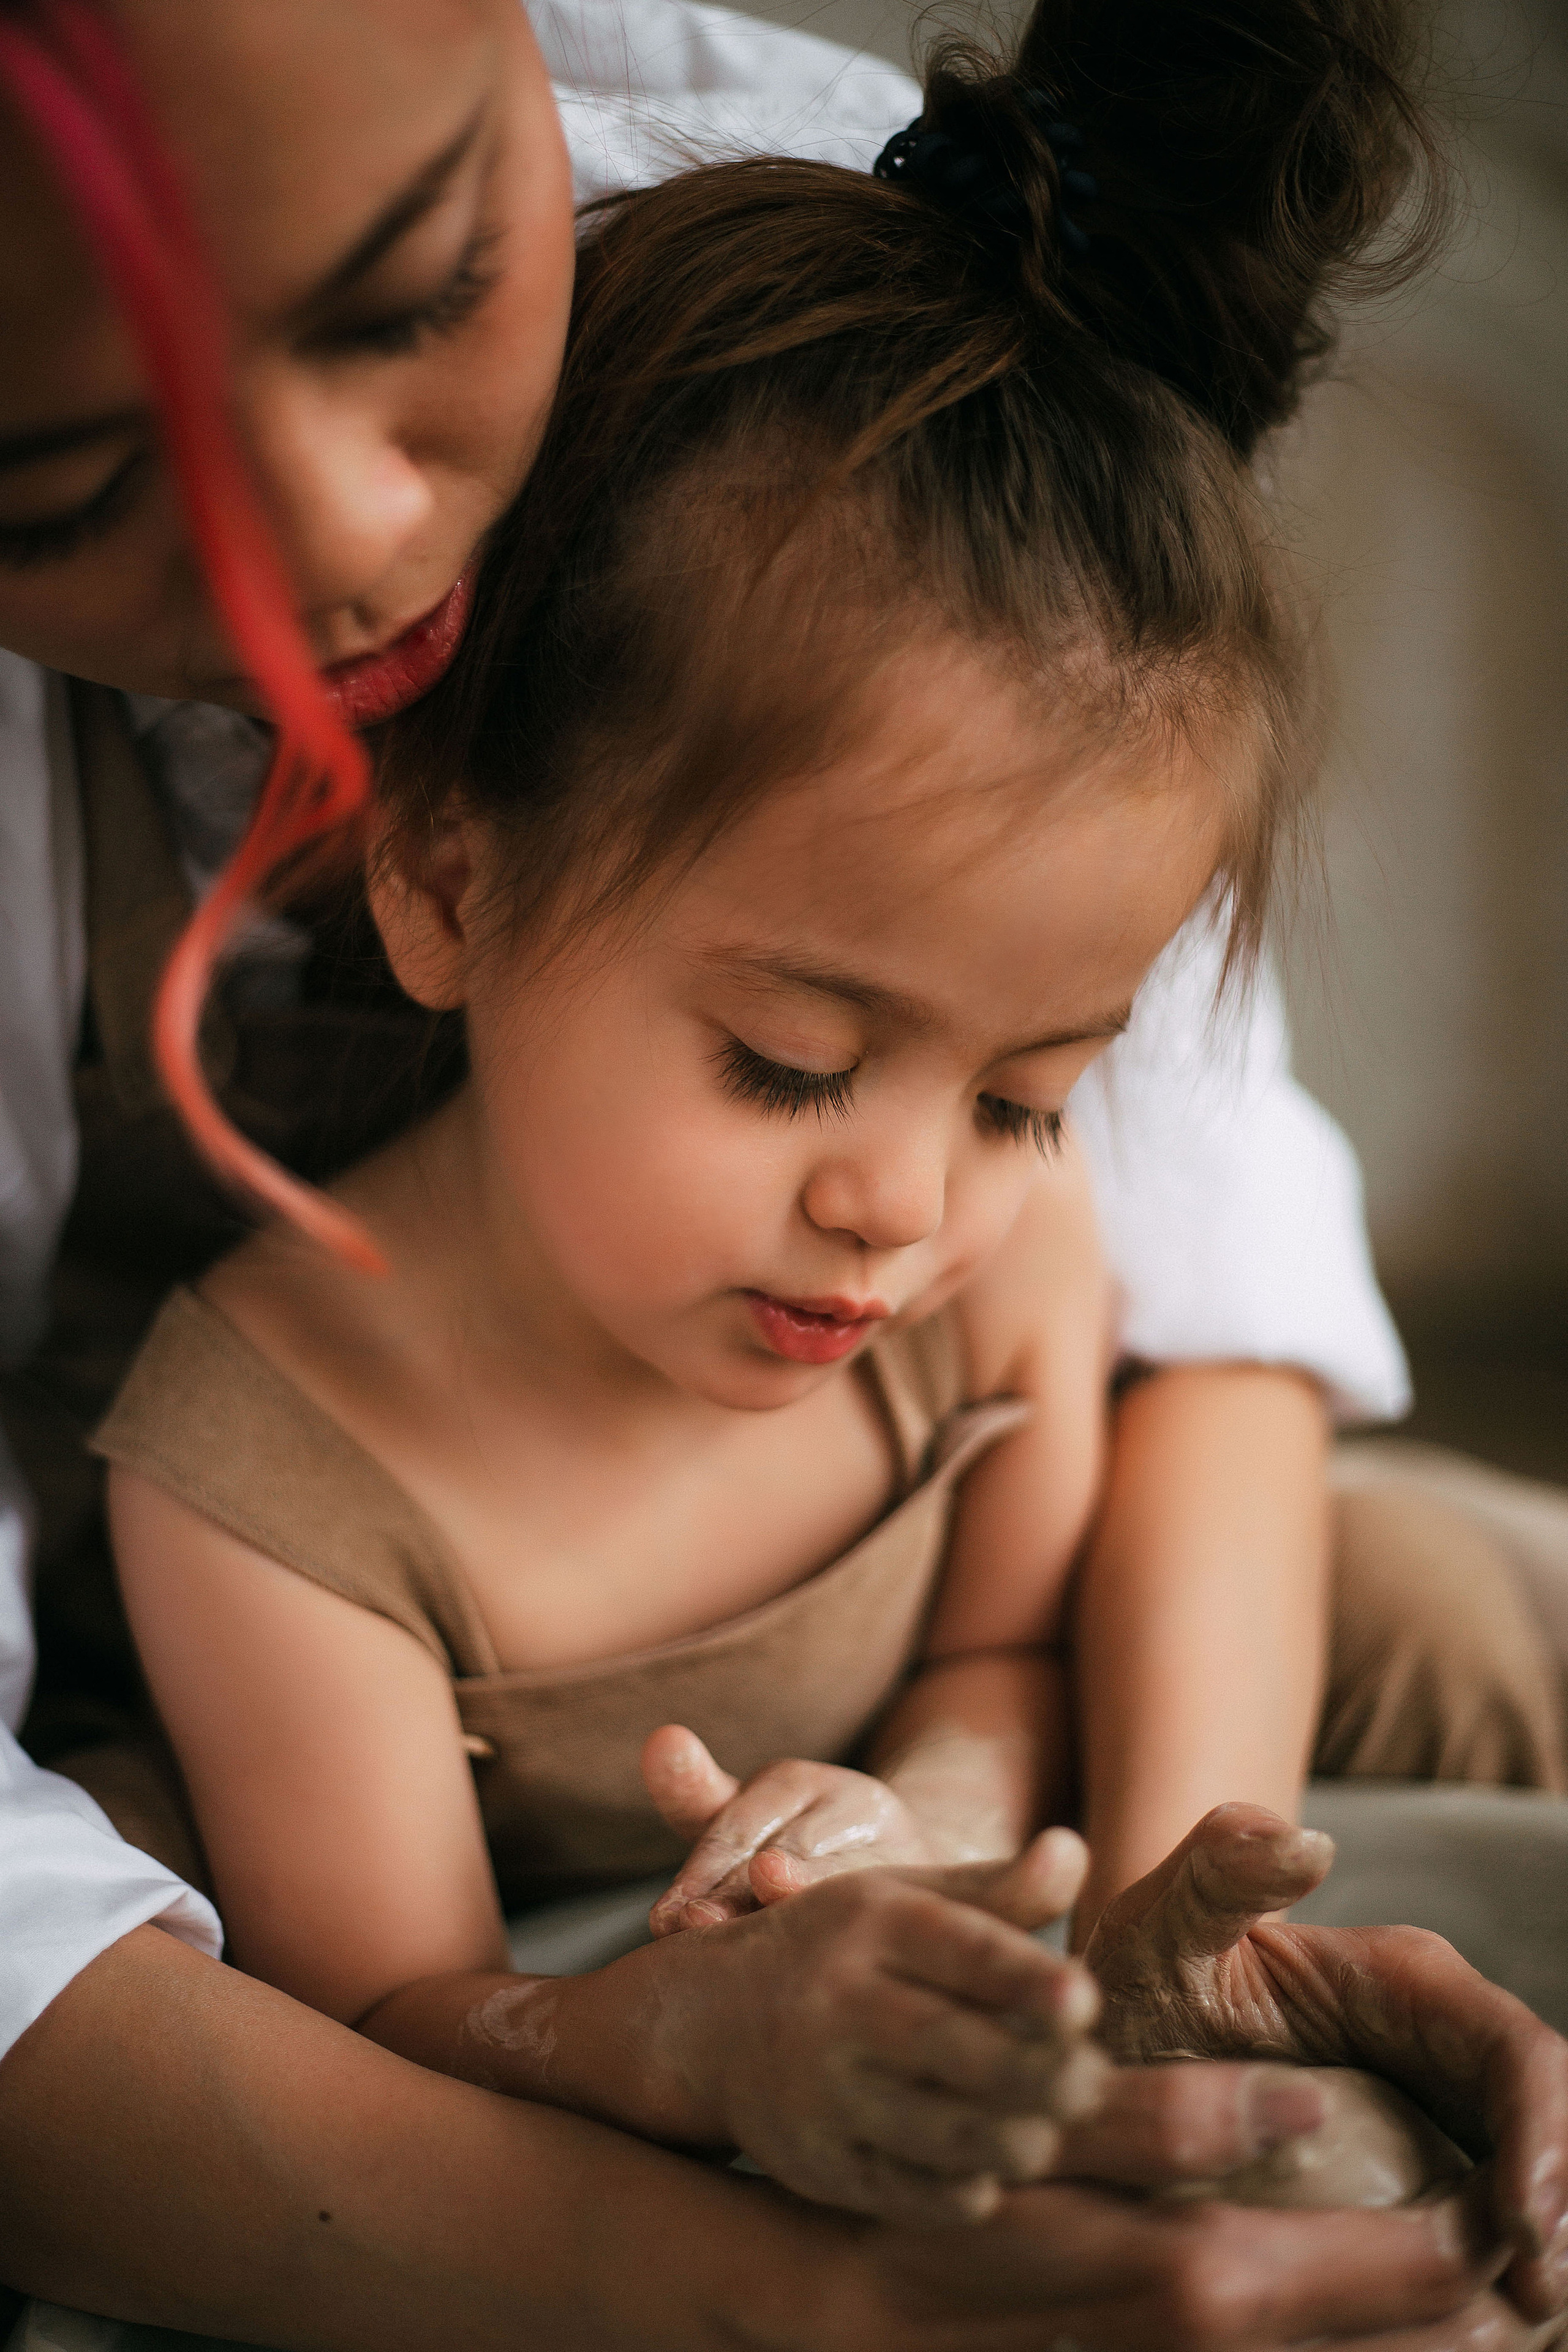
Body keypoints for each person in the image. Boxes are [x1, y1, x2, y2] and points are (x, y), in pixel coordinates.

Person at [0, 0, 1566, 2346]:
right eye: (787, 1065)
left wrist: (1035, 1859)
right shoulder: (258, 1486)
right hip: (393, 1874)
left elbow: (1123, 1473)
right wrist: (674, 2054)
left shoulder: (939, 395)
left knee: (1454, 1594)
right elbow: (393, 2007)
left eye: (1027, 1100)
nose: (908, 1204)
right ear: (438, 882)